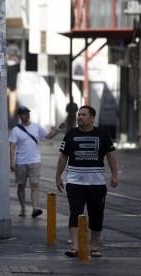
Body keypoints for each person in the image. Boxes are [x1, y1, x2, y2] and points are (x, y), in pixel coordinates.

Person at [56, 105, 118, 258]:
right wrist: (58, 176)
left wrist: (114, 175)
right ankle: (74, 246)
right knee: (75, 213)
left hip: (96, 184)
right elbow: (63, 156)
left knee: (96, 215)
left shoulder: (102, 134)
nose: (80, 117)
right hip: (75, 182)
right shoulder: (70, 134)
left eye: (83, 115)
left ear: (92, 118)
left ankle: (95, 247)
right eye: (79, 115)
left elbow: (111, 155)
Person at [9, 106, 66, 218]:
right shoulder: (16, 130)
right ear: (20, 116)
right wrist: (12, 162)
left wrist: (58, 128)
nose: (26, 115)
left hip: (35, 161)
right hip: (21, 162)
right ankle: (23, 208)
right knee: (21, 186)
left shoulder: (36, 127)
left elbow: (49, 136)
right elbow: (12, 147)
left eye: (27, 113)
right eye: (24, 114)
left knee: (35, 184)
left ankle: (35, 208)